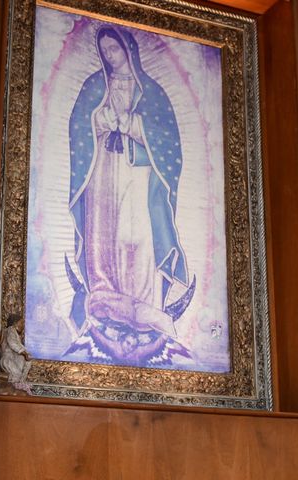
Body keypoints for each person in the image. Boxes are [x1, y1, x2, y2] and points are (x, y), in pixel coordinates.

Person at [68, 26, 189, 362]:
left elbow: (167, 142)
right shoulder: (95, 86)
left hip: (138, 175)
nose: (110, 56)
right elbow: (80, 123)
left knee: (136, 234)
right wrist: (99, 119)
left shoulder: (150, 92)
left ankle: (143, 302)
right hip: (104, 173)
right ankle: (106, 294)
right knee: (104, 231)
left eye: (115, 50)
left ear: (128, 50)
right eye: (105, 51)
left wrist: (134, 125)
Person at [0, 315, 32, 387]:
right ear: (15, 323)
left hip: (10, 359)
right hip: (8, 360)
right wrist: (24, 352)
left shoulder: (11, 332)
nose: (23, 326)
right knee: (16, 376)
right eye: (21, 323)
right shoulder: (11, 330)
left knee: (17, 378)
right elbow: (12, 343)